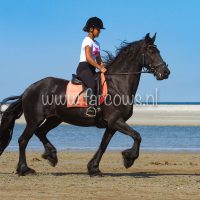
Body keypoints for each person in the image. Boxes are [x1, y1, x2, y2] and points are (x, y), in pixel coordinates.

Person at [76, 17, 107, 117]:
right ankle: (91, 107)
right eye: (98, 29)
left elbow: (99, 60)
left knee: (101, 83)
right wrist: (99, 67)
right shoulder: (87, 41)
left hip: (92, 68)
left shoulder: (97, 44)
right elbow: (89, 58)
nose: (99, 32)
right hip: (84, 68)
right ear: (91, 29)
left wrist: (103, 67)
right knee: (92, 84)